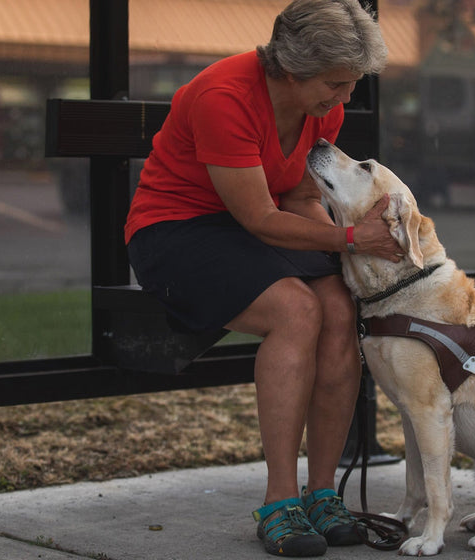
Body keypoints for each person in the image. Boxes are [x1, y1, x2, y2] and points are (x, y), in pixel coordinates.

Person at [124, 0, 399, 556]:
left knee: (340, 308)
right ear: (293, 70)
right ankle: (280, 501)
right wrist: (350, 242)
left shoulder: (322, 108)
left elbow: (298, 195)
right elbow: (258, 218)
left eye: (352, 85)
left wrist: (342, 264)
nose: (344, 98)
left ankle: (323, 494)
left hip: (260, 231)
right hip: (178, 232)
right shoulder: (223, 96)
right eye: (337, 84)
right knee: (296, 310)